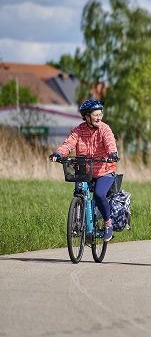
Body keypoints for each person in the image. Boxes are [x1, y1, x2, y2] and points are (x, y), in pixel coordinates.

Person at [48, 99, 120, 242]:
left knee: (99, 195)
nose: (99, 118)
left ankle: (107, 223)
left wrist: (112, 154)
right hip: (84, 170)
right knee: (79, 192)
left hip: (104, 170)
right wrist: (59, 154)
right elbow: (68, 144)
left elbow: (110, 143)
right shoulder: (78, 130)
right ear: (87, 116)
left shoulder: (105, 129)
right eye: (96, 115)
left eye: (101, 114)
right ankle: (77, 223)